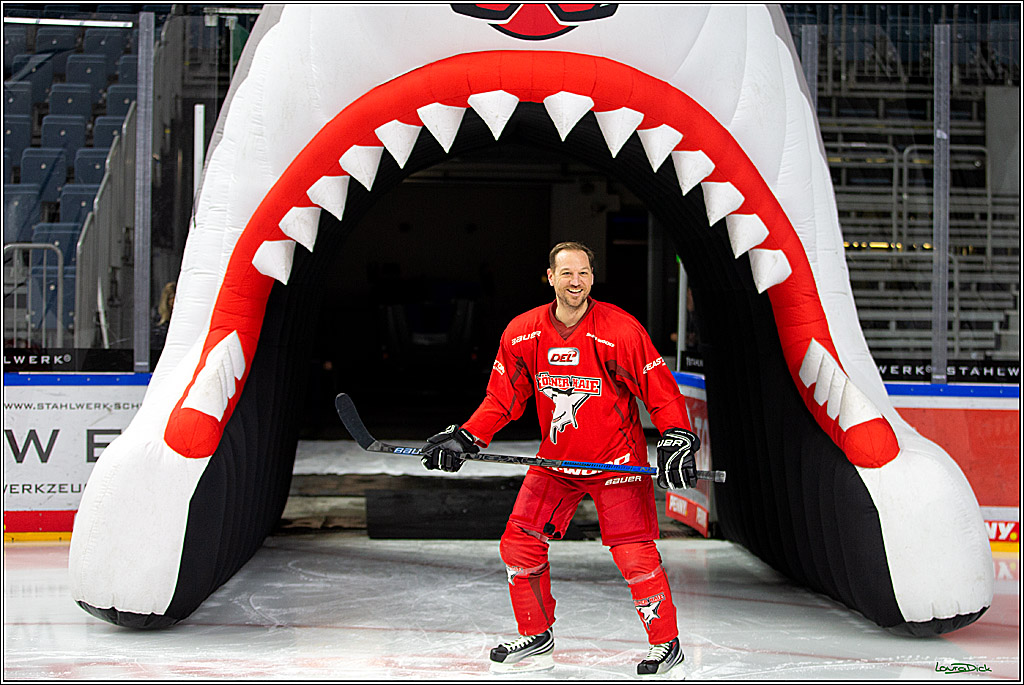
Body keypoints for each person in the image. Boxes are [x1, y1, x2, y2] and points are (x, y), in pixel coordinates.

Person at [420, 242, 701, 676]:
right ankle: (536, 634)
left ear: (592, 276)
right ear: (550, 277)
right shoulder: (522, 332)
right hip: (557, 463)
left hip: (617, 465)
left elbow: (660, 391)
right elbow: (502, 398)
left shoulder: (620, 330)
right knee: (519, 544)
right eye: (567, 273)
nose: (576, 282)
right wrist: (467, 437)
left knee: (634, 555)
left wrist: (677, 436)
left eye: (584, 273)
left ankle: (667, 644)